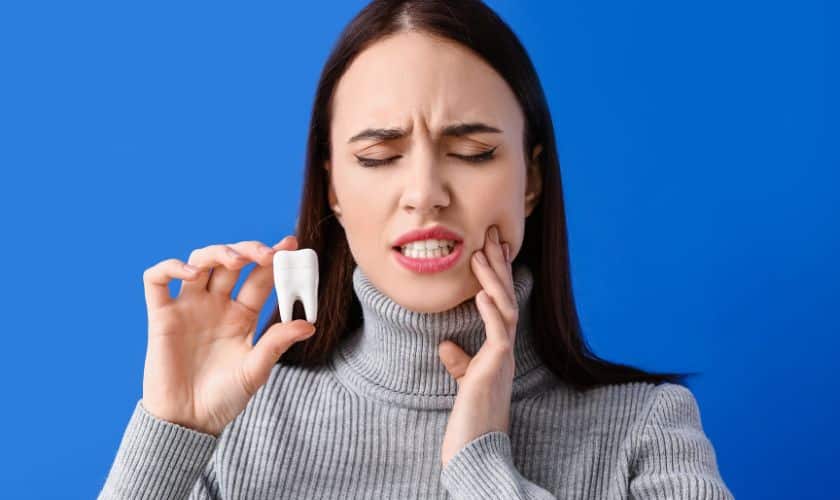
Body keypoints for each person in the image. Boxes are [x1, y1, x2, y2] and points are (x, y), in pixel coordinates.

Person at [99, 1, 734, 498]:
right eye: (379, 157)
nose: (425, 193)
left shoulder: (646, 430)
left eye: (473, 152)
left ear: (532, 181)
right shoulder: (240, 425)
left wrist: (482, 466)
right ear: (332, 189)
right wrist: (170, 433)